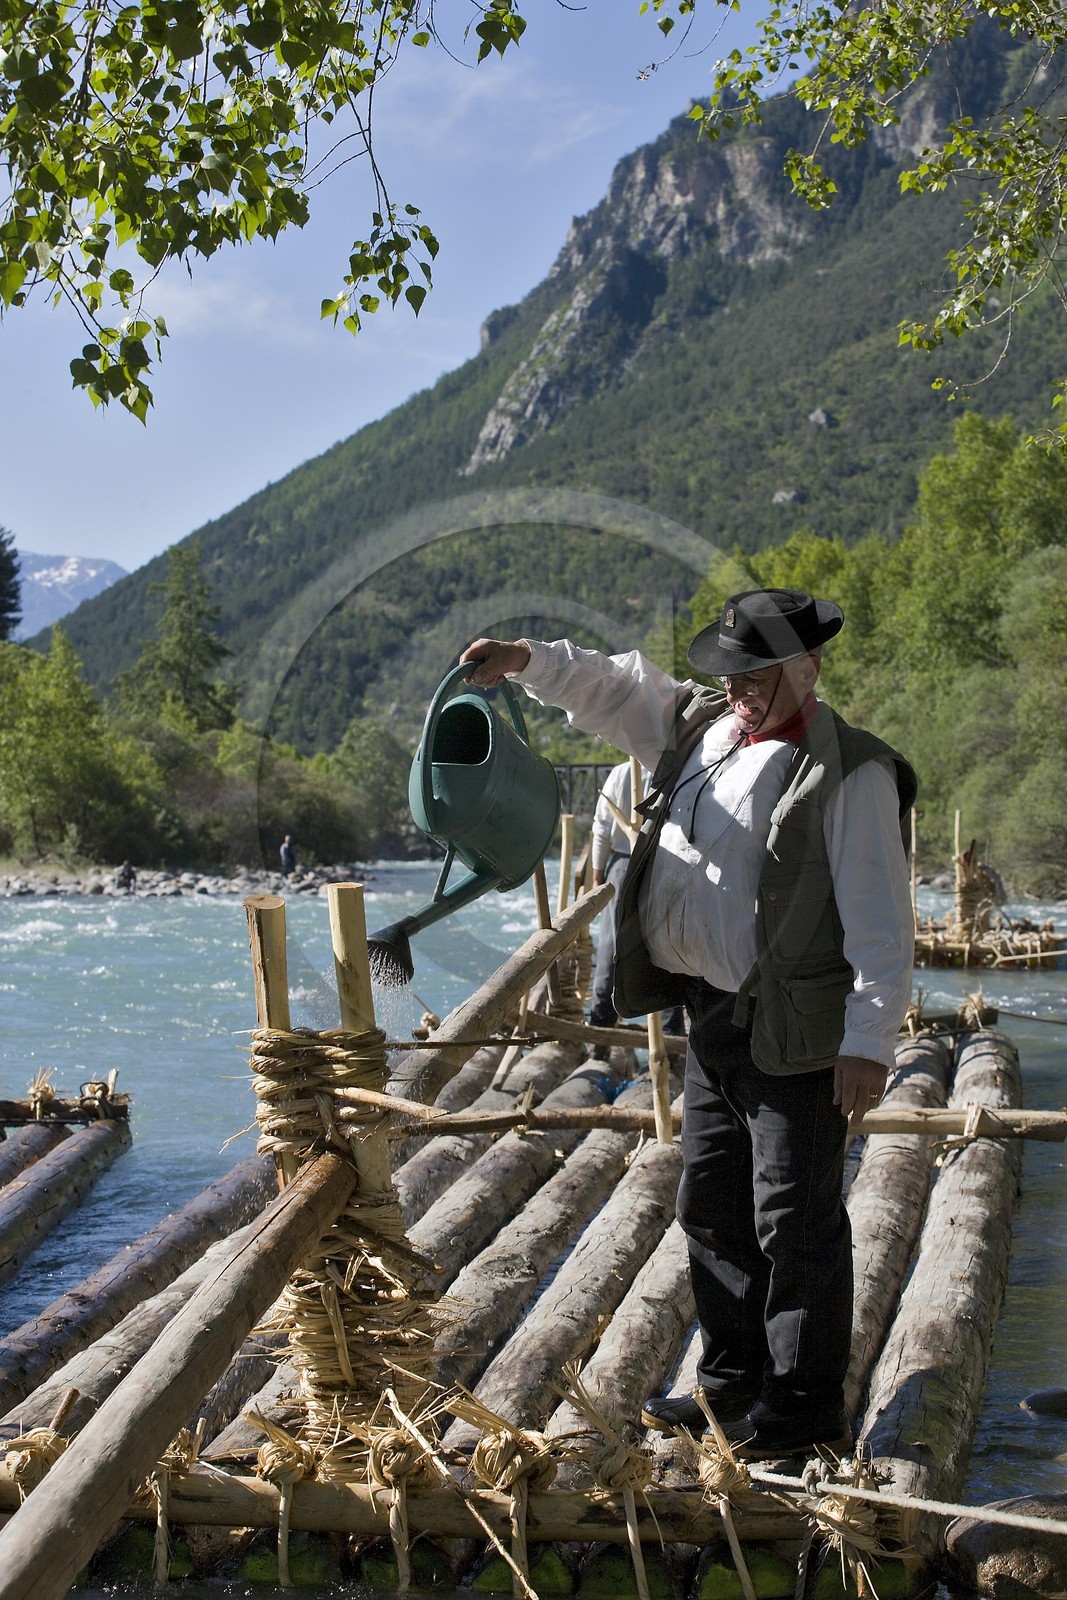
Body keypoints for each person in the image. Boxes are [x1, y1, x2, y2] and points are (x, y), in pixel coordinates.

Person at [460, 588, 916, 1459]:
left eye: (760, 673)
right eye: (732, 671)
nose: (741, 687)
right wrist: (524, 659)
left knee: (795, 1222)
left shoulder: (850, 769)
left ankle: (802, 1414)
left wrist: (868, 1043)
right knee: (709, 1207)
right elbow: (613, 686)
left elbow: (881, 921)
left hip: (797, 1033)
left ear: (808, 668)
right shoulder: (700, 730)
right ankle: (727, 1391)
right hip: (709, 1020)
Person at [589, 760, 683, 1041]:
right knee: (662, 940)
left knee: (613, 943)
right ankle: (669, 1030)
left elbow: (602, 830)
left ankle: (601, 1027)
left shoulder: (620, 774)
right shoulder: (673, 768)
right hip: (662, 861)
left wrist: (597, 874)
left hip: (626, 864)